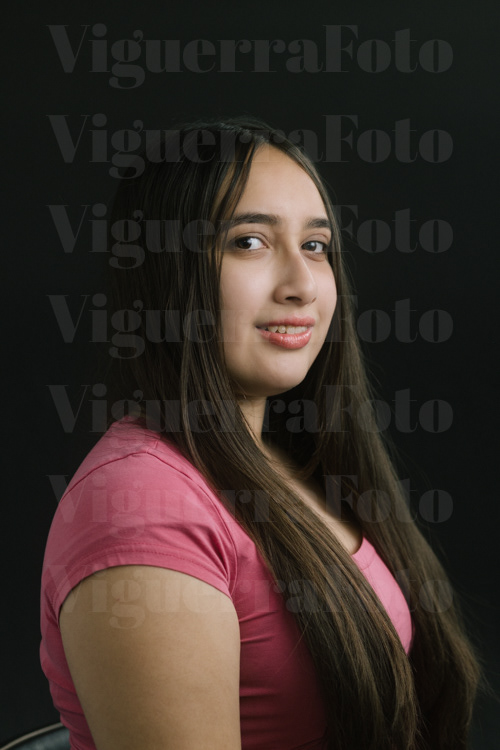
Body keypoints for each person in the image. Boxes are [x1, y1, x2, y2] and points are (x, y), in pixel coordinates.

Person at [40, 117, 480, 750]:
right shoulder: (142, 506)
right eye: (249, 241)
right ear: (164, 270)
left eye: (316, 246)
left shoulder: (287, 463)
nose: (302, 285)